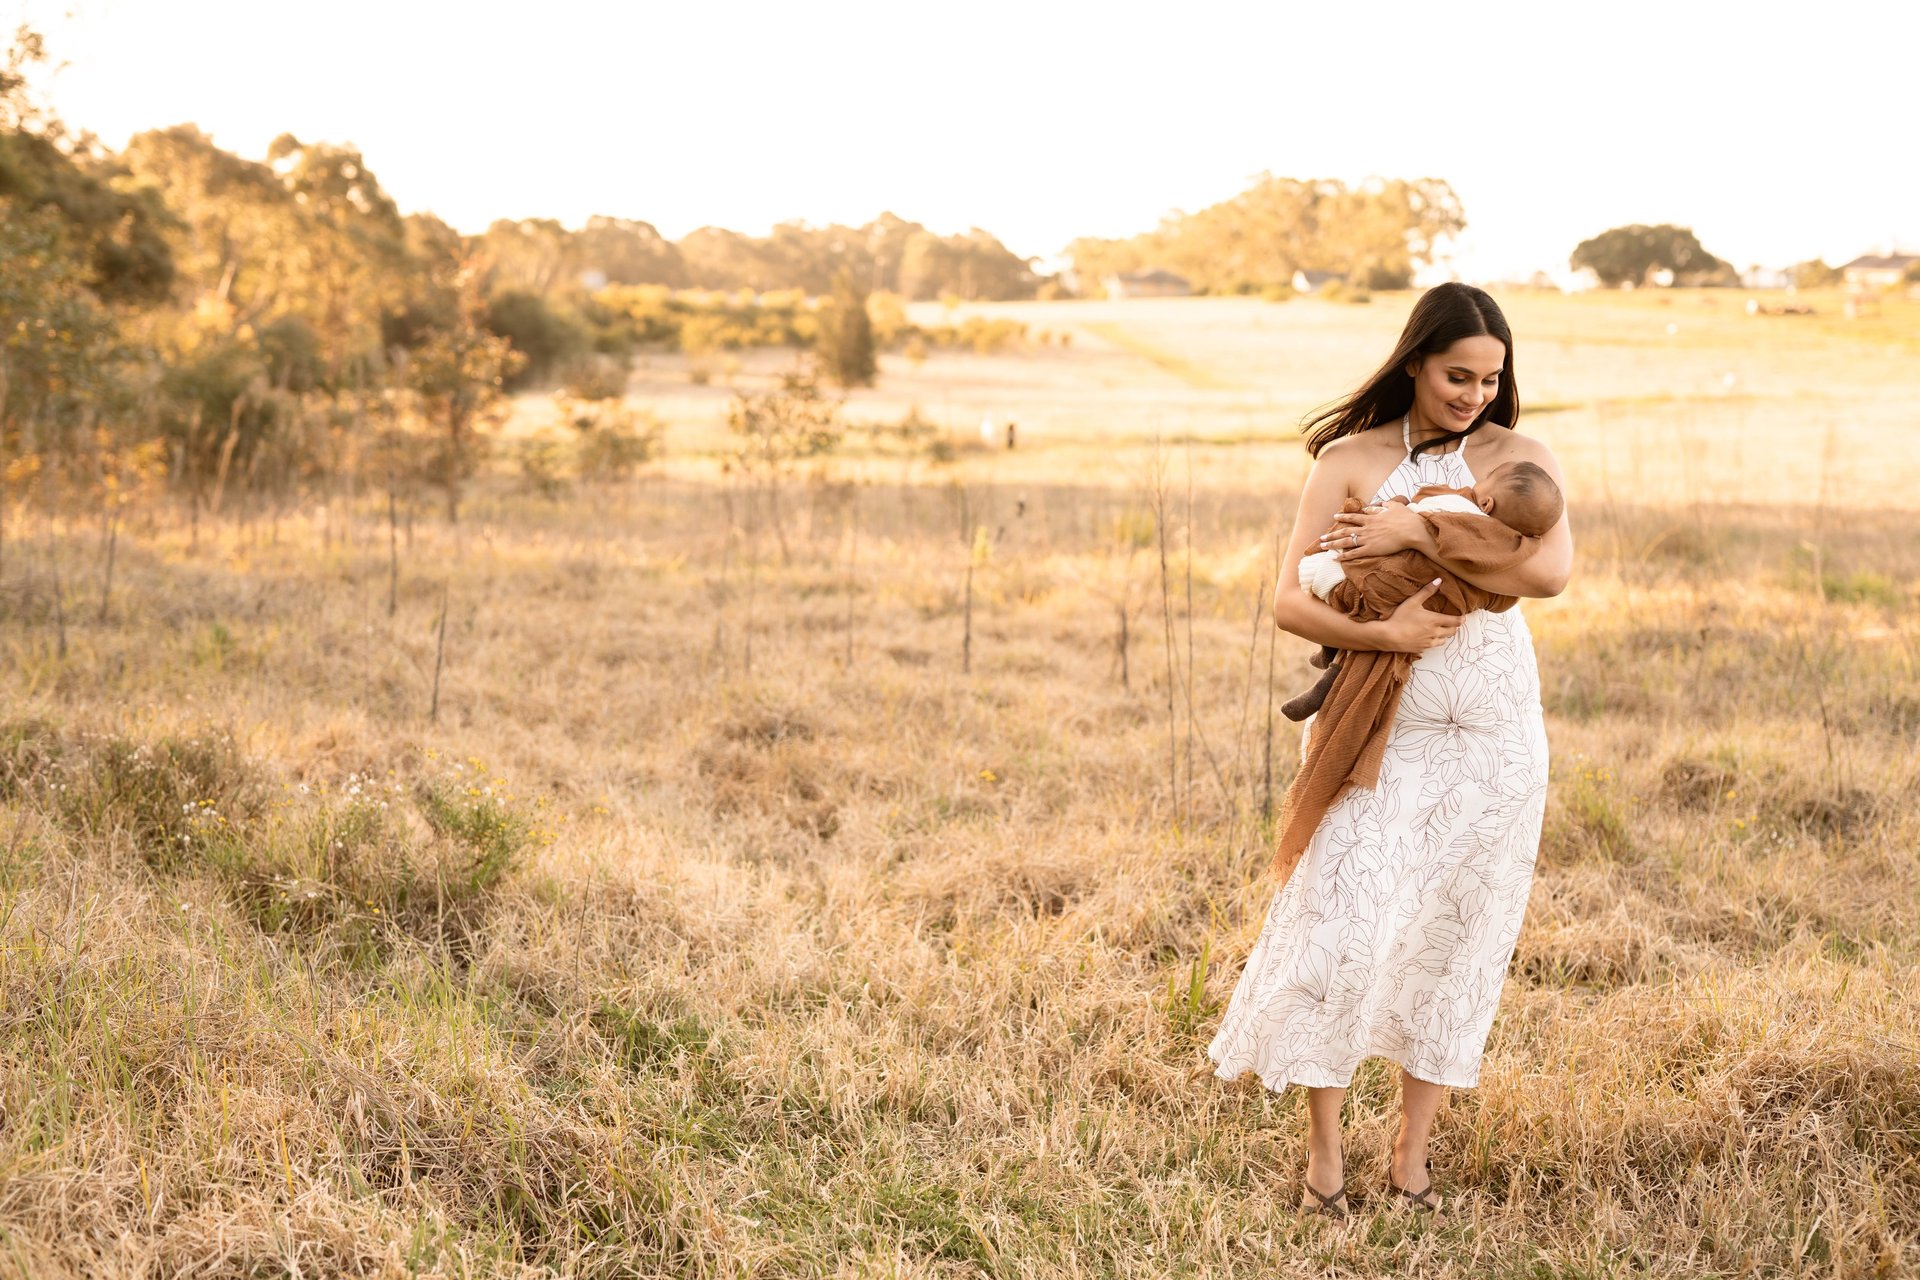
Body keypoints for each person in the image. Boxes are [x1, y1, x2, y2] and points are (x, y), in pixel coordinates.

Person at [1204, 282, 1572, 1219]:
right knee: (1345, 924)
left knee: (1456, 940)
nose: (1475, 394)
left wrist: (1421, 529)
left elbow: (1550, 572)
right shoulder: (1348, 459)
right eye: (1458, 375)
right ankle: (1325, 1157)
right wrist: (1388, 640)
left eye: (1491, 378)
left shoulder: (1521, 458)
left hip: (1493, 733)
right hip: (1383, 727)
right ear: (1414, 360)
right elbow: (1290, 602)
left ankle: (1411, 1163)